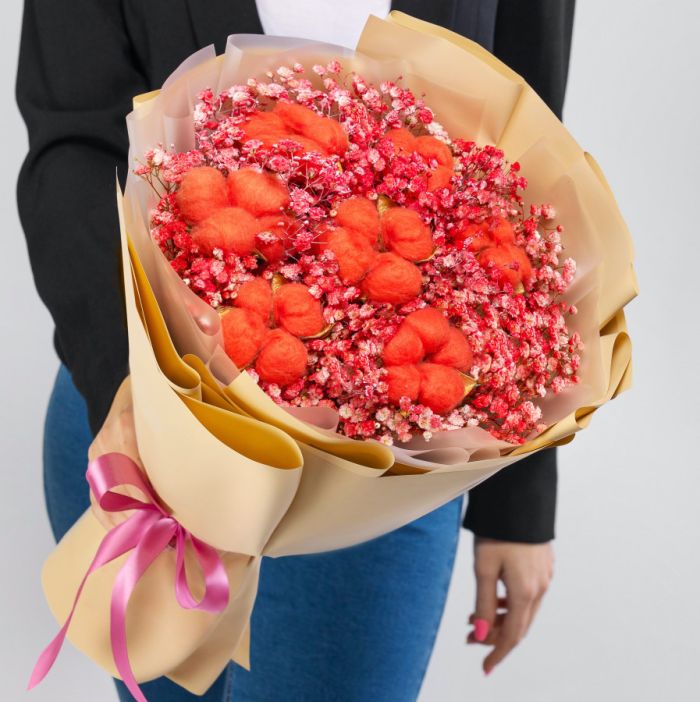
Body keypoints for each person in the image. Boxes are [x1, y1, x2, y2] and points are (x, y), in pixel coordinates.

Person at [16, 1, 575, 699]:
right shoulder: (134, 419)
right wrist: (132, 407)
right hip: (138, 431)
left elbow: (527, 159)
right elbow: (70, 142)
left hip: (381, 472)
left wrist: (518, 497)